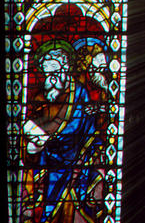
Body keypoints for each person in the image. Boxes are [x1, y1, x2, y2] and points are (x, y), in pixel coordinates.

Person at [22, 41, 107, 222]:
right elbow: (34, 122)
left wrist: (50, 138)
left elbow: (78, 126)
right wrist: (35, 142)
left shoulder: (79, 93)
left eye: (54, 70)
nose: (50, 77)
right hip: (50, 159)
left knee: (72, 204)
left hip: (74, 158)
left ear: (66, 67)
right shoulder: (40, 97)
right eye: (47, 72)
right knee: (49, 204)